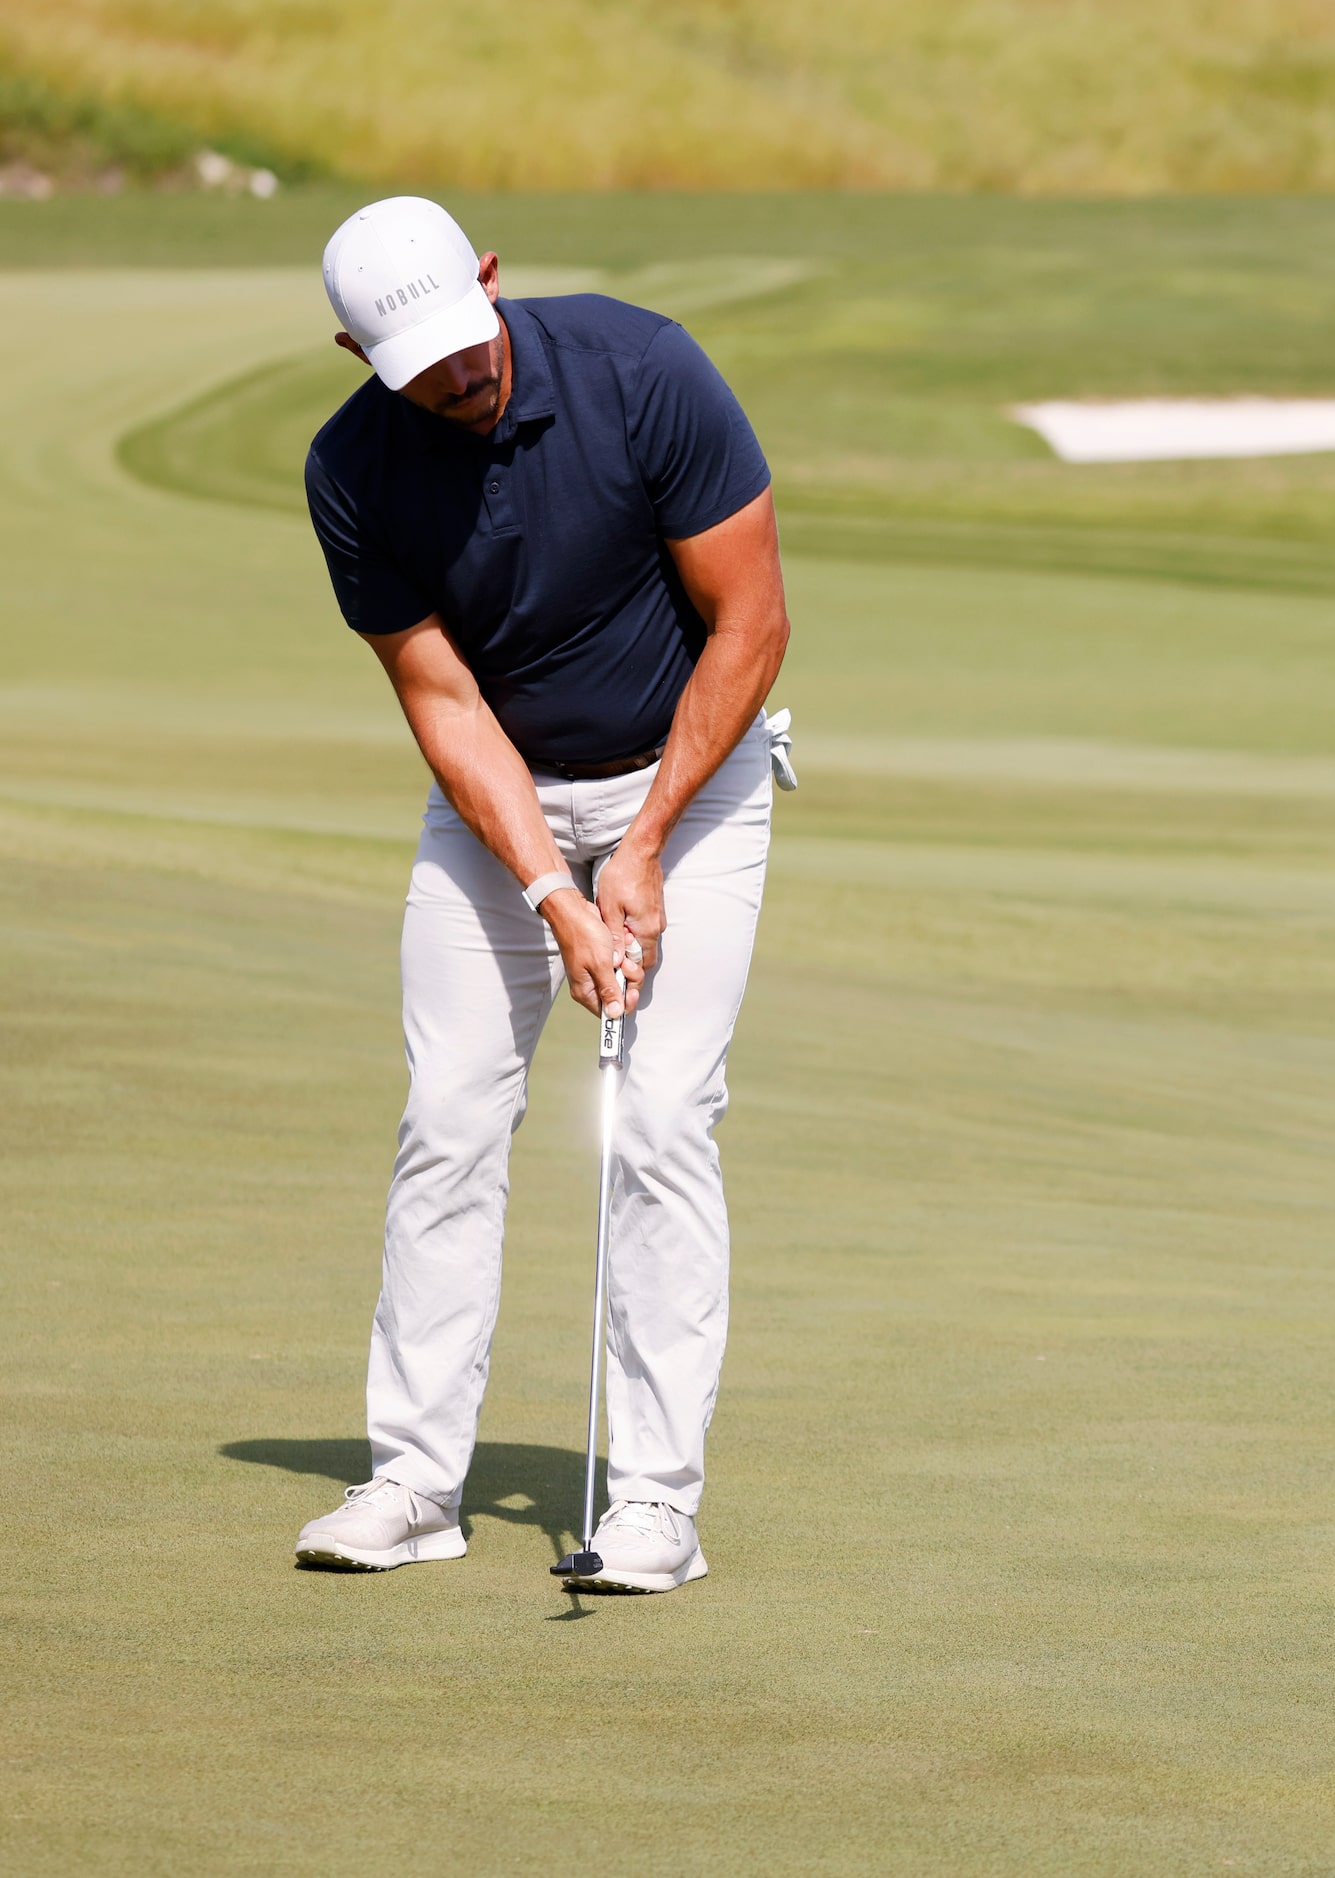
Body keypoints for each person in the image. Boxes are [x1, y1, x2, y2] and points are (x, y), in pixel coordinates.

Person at [290, 196, 793, 1592]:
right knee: (449, 1114)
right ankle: (413, 1483)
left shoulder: (643, 372)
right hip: (497, 801)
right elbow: (443, 699)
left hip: (686, 781)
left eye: (466, 342)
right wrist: (546, 889)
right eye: (419, 368)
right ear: (354, 350)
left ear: (492, 279)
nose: (460, 380)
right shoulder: (354, 468)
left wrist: (636, 852)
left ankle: (653, 1507)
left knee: (660, 1119)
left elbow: (753, 625)